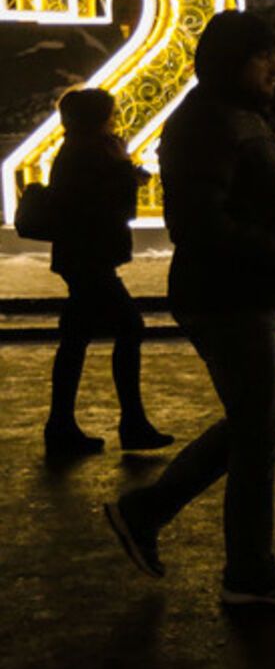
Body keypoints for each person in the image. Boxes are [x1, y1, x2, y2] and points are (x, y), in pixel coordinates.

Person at [104, 10, 275, 608]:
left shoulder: (230, 114)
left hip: (238, 291)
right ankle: (246, 573)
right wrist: (274, 251)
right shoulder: (207, 122)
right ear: (231, 62)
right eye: (264, 56)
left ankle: (148, 513)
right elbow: (198, 220)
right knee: (260, 428)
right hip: (228, 294)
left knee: (255, 425)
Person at [43, 89, 172, 456]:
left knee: (75, 340)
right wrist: (123, 170)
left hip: (81, 259)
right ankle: (129, 423)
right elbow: (110, 205)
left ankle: (63, 425)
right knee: (130, 328)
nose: (114, 120)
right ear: (97, 118)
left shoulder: (77, 151)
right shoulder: (87, 155)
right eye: (110, 114)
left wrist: (121, 169)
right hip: (90, 260)